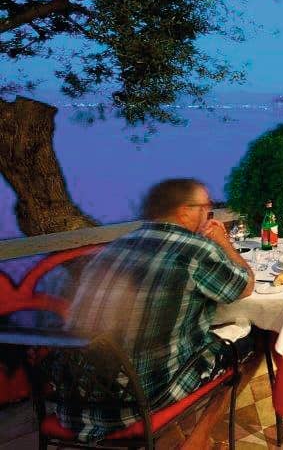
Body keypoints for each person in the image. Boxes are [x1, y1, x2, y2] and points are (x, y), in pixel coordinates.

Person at [61, 179, 260, 448]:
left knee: (169, 340)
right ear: (184, 211)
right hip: (142, 399)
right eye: (205, 207)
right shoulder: (196, 250)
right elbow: (245, 285)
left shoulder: (110, 250)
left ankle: (172, 437)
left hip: (80, 398)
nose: (208, 213)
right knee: (254, 339)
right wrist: (224, 242)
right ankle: (197, 441)